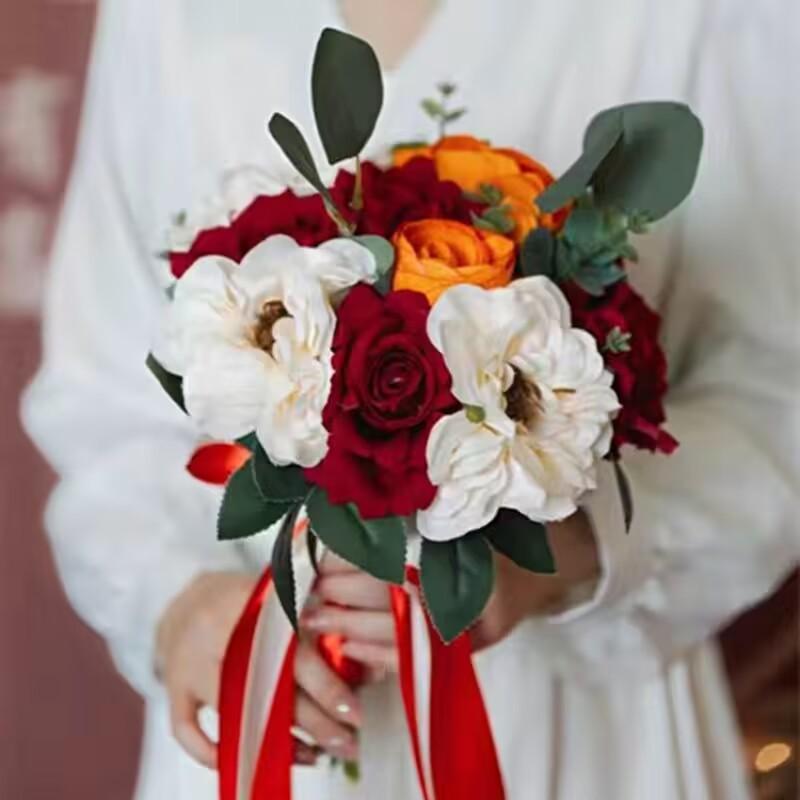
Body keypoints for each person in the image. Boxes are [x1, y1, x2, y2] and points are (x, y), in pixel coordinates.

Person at [23, 0, 799, 798]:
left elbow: (776, 397)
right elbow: (108, 410)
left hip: (579, 730)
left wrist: (564, 558)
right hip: (265, 710)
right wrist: (180, 602)